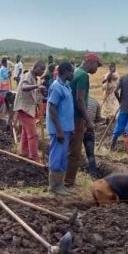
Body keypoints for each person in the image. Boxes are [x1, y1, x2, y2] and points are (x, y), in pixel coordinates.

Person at [64, 53, 100, 187]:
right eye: (97, 65)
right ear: (91, 62)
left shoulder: (76, 72)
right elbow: (80, 100)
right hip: (77, 118)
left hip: (69, 115)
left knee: (68, 148)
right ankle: (68, 181)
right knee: (75, 152)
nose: (96, 69)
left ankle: (63, 177)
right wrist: (88, 121)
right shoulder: (83, 75)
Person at [47, 61, 75, 196]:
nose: (73, 74)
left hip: (65, 128)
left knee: (63, 156)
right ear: (66, 72)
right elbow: (52, 108)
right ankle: (54, 185)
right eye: (72, 72)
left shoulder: (66, 86)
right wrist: (59, 130)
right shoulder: (56, 87)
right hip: (59, 129)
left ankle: (60, 184)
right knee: (57, 156)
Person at [14, 61, 45, 161]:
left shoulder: (34, 78)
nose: (43, 72)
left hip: (28, 108)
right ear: (35, 67)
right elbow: (24, 87)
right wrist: (37, 86)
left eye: (44, 70)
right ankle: (34, 158)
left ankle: (24, 152)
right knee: (33, 135)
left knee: (25, 132)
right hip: (25, 108)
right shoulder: (28, 75)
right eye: (42, 69)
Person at [84, 93, 102, 175]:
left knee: (73, 154)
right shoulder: (95, 102)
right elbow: (98, 118)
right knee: (90, 154)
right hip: (89, 130)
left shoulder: (76, 101)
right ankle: (93, 173)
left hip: (78, 130)